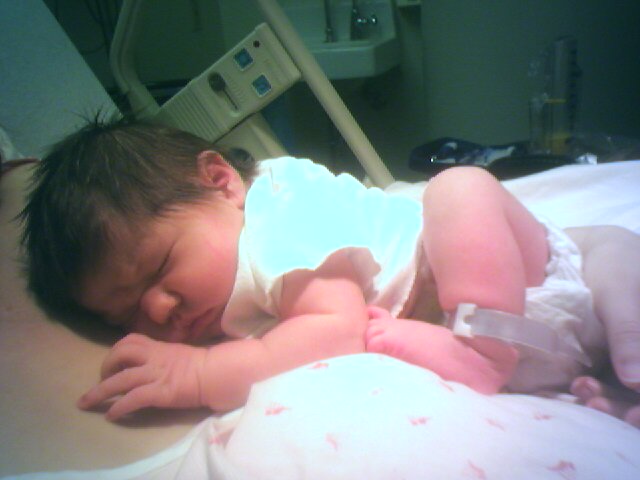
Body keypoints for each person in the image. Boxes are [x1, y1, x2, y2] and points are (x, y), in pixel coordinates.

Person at [19, 116, 640, 425]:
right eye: (126, 313)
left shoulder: (275, 214)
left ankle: (492, 353)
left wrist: (203, 374)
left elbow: (336, 329)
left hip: (518, 291)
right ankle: (613, 382)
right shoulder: (223, 277)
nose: (158, 309)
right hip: (535, 331)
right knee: (606, 253)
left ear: (222, 182)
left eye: (160, 267)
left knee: (458, 187)